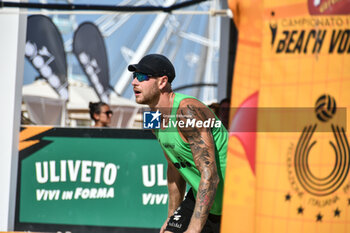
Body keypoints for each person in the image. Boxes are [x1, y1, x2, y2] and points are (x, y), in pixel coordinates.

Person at [129, 54, 228, 233]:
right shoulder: (153, 119)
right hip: (202, 198)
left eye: (142, 77)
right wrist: (171, 217)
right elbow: (174, 168)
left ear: (162, 82)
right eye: (134, 76)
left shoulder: (188, 112)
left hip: (236, 202)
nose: (134, 82)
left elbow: (210, 176)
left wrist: (193, 229)